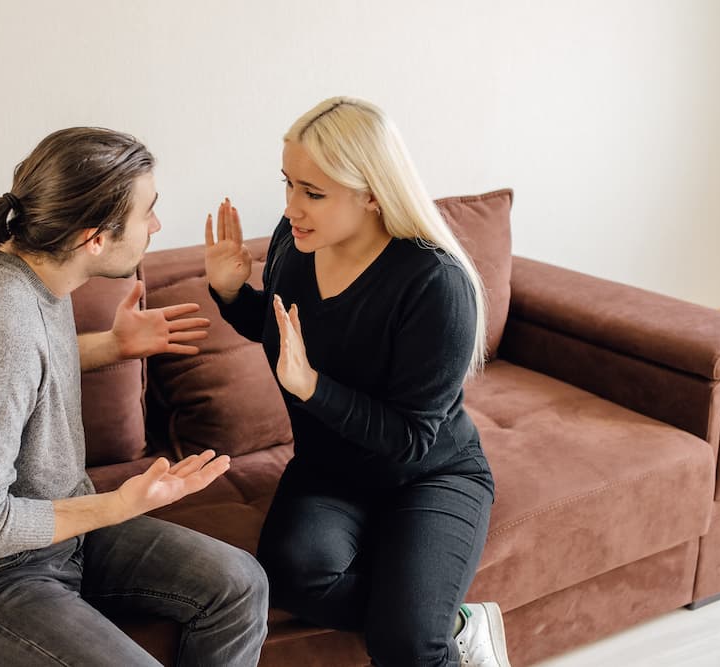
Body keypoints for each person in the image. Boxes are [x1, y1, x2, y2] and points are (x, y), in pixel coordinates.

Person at [0, 127, 268, 667]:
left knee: (239, 585)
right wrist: (118, 505)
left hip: (66, 530)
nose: (157, 226)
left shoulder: (23, 259)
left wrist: (113, 345)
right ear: (95, 237)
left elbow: (21, 371)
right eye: (148, 213)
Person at [204, 97, 509, 667]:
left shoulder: (434, 284)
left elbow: (413, 438)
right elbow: (283, 334)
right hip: (329, 471)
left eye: (313, 192)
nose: (292, 207)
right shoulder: (295, 244)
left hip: (430, 474)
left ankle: (439, 631)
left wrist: (314, 389)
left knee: (406, 645)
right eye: (288, 184)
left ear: (372, 192)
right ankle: (452, 620)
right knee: (290, 579)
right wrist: (230, 293)